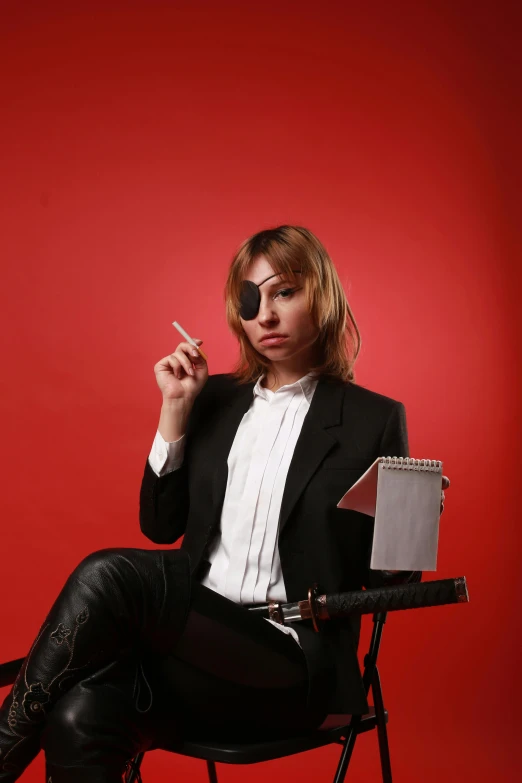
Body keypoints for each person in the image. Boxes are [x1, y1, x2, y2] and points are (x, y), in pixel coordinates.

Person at [0, 225, 448, 782]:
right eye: (251, 298)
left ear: (323, 295)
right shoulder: (213, 400)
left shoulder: (371, 419)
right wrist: (175, 412)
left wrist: (413, 516)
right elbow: (160, 527)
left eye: (285, 291)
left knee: (110, 574)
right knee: (77, 714)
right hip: (193, 656)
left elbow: (389, 582)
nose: (266, 314)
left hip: (290, 663)